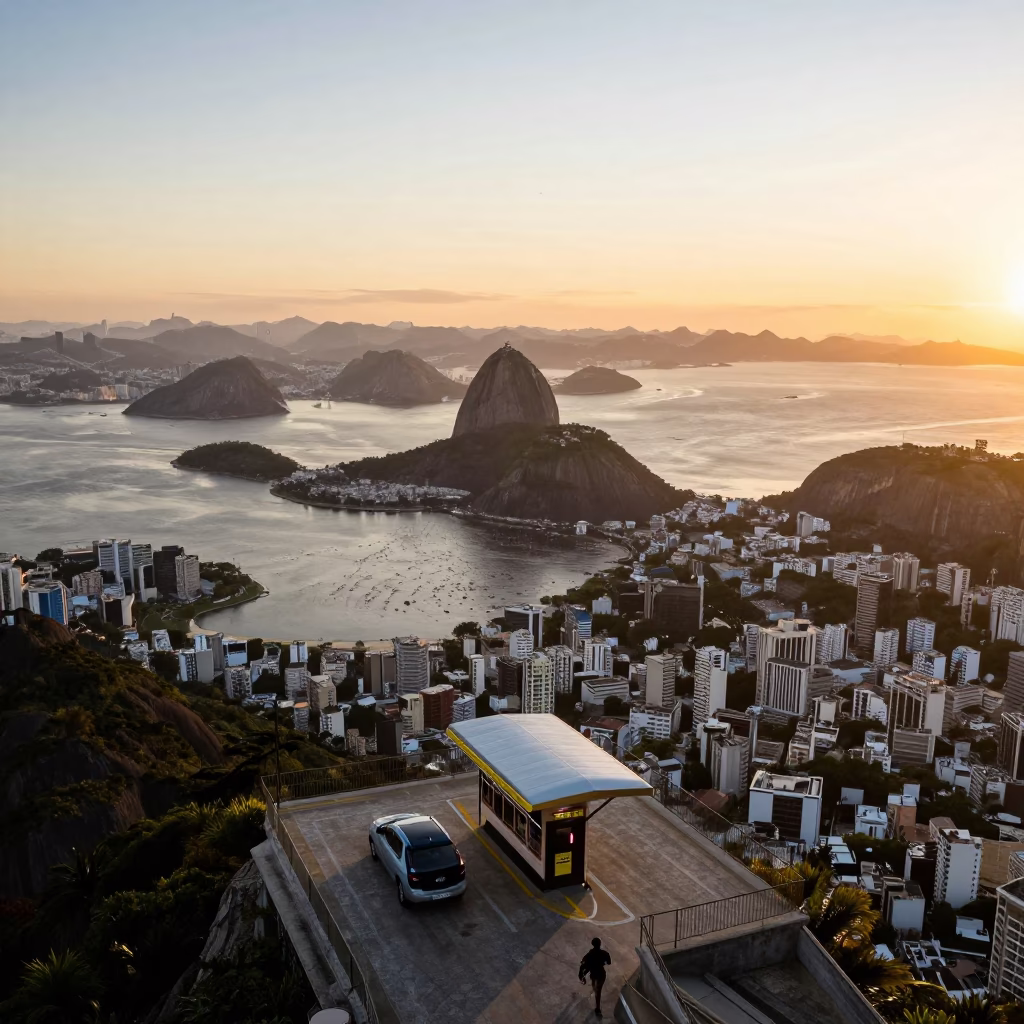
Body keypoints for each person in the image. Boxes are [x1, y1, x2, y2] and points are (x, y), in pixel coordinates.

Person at [578, 936, 612, 1017]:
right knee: (598, 990)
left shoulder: (589, 955)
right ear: (600, 944)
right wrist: (603, 963)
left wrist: (581, 975)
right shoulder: (605, 953)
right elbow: (609, 962)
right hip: (601, 974)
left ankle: (597, 1007)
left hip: (594, 974)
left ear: (592, 944)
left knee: (596, 989)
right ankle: (597, 1008)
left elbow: (583, 966)